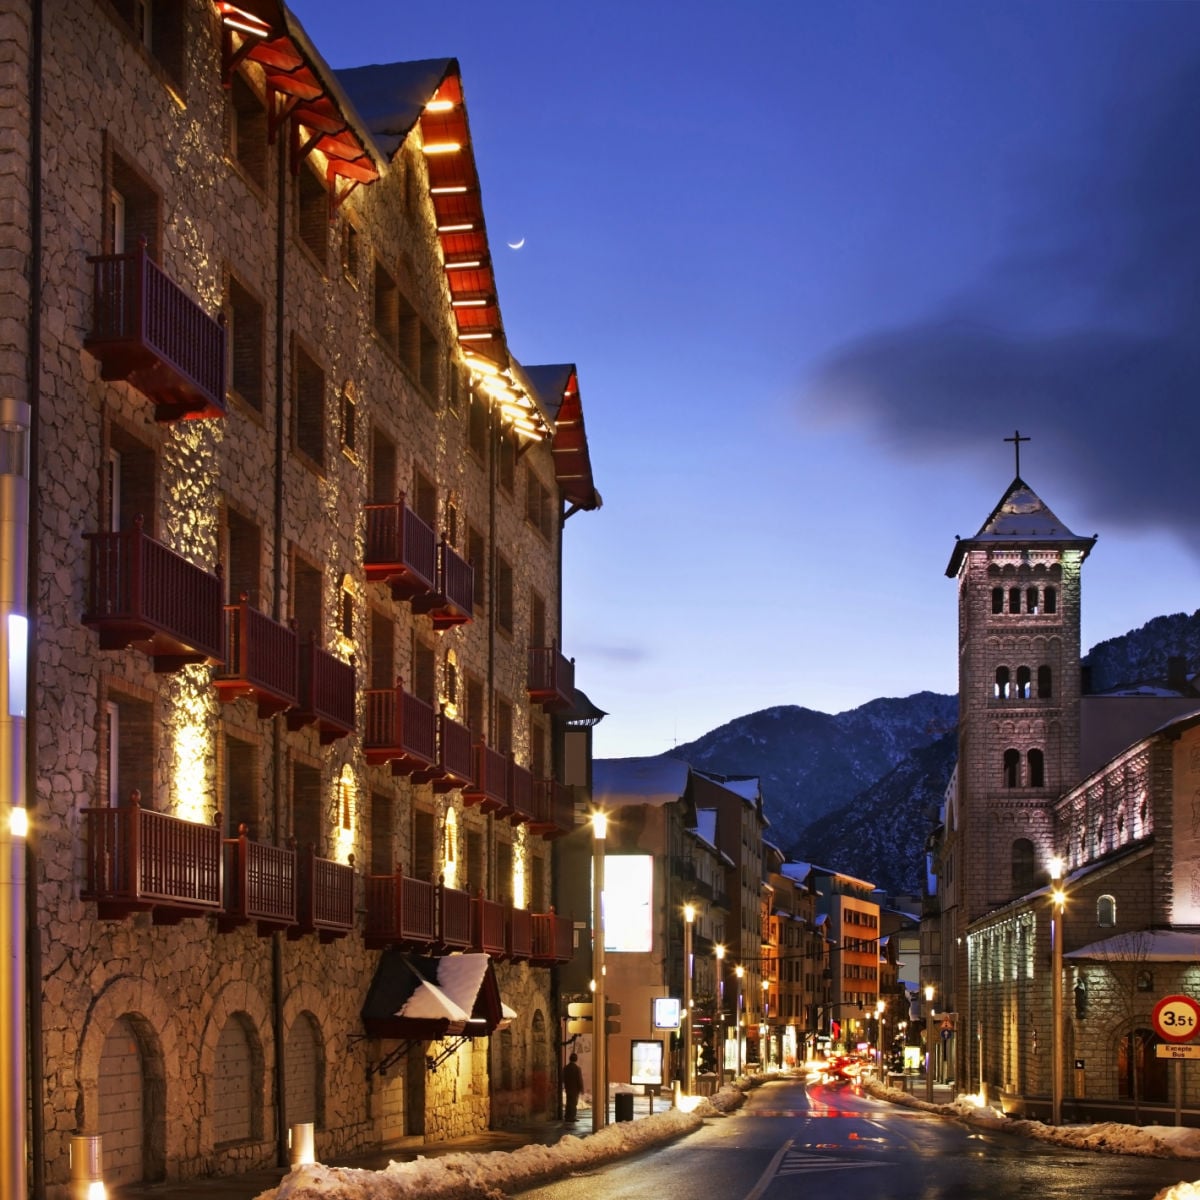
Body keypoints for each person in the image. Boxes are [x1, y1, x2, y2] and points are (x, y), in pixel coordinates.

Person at [563, 1052, 584, 1121]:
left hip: (568, 1088)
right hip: (575, 1089)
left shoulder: (566, 1068)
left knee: (568, 1102)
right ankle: (572, 1117)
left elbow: (563, 1078)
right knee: (574, 1103)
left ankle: (567, 1116)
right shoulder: (577, 1068)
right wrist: (581, 1089)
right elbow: (579, 1079)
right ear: (576, 1059)